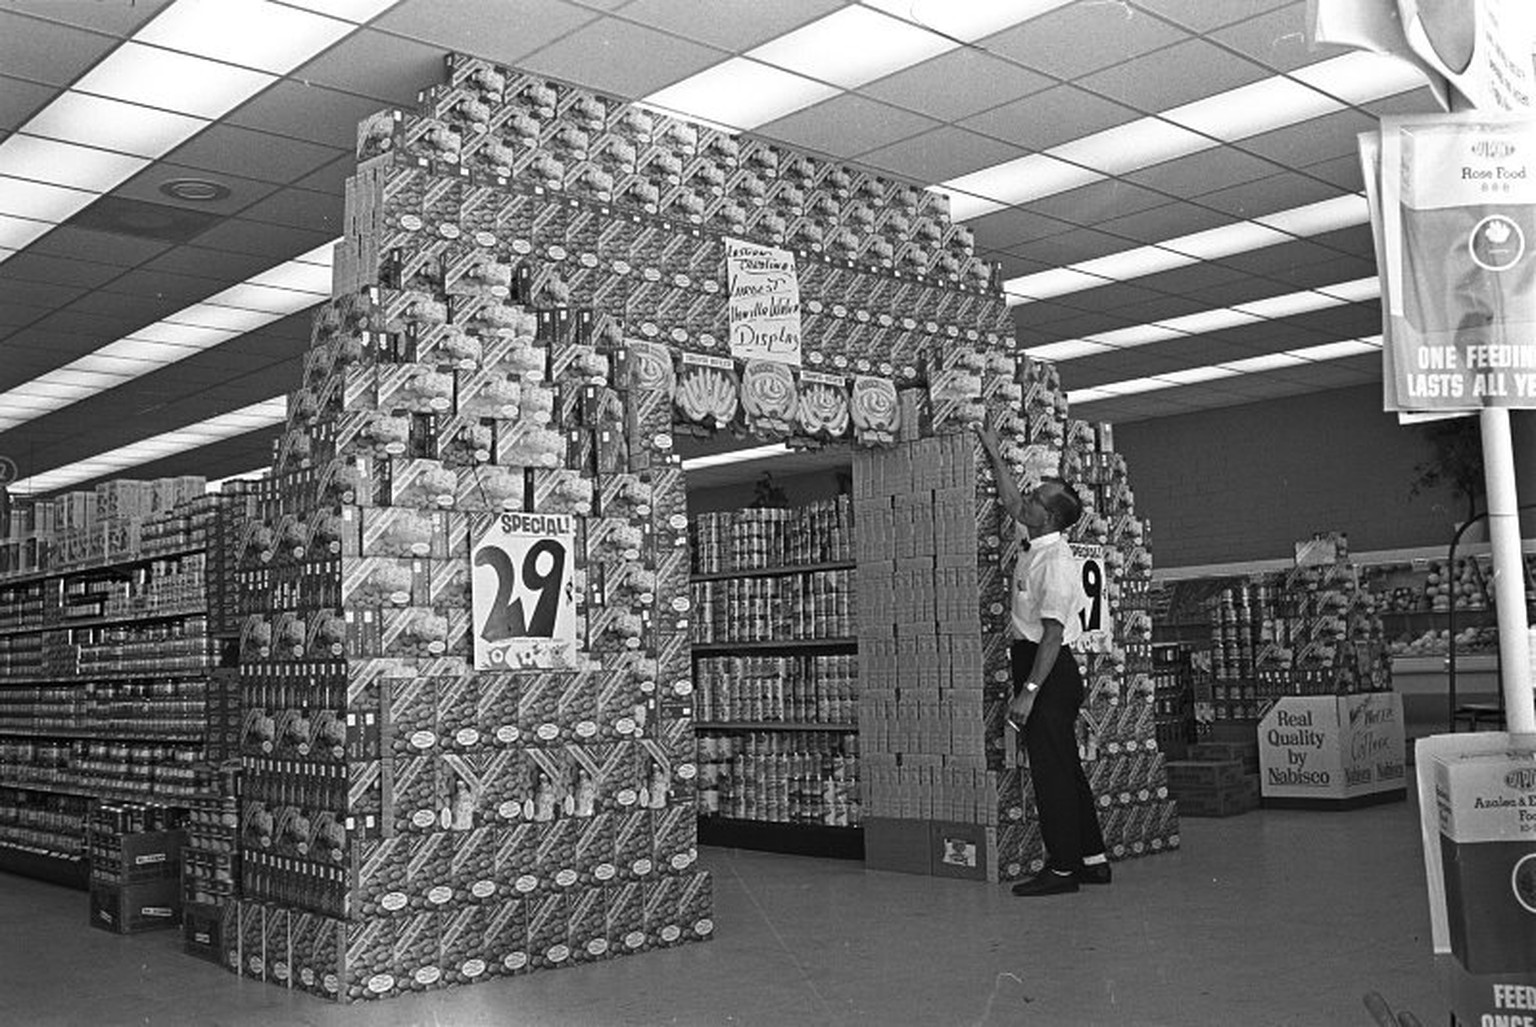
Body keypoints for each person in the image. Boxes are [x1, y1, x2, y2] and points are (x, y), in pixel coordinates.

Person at [976, 414, 1110, 897]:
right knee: (1067, 767)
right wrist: (993, 451)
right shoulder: (1037, 541)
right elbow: (1011, 501)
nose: (1025, 502)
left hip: (1046, 671)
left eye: (1036, 500)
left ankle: (1061, 869)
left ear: (1051, 517)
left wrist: (1028, 693)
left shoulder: (1056, 564)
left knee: (1051, 774)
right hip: (1043, 668)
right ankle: (1093, 859)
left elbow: (1052, 637)